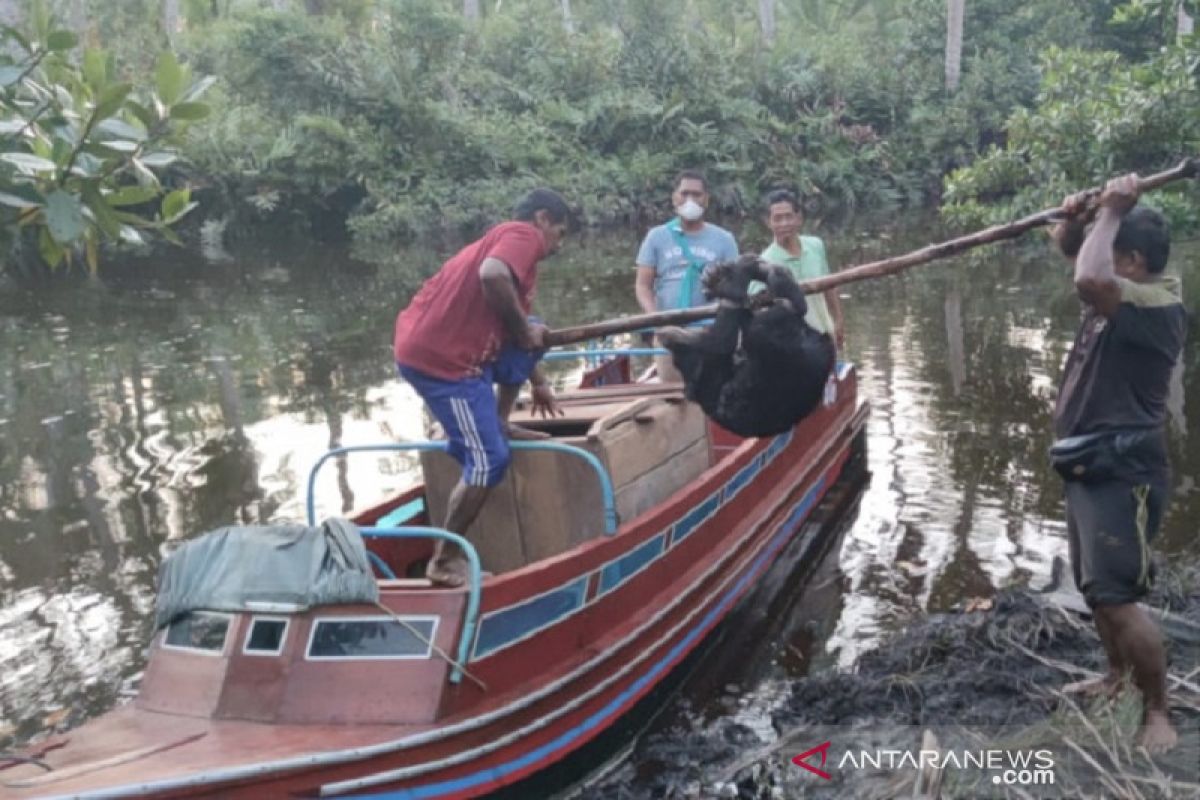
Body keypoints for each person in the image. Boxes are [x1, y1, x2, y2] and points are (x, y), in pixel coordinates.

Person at [1050, 174, 1187, 753]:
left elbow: (1087, 275)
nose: (1097, 254)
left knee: (1120, 598)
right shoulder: (1121, 286)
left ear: (1132, 261)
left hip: (1124, 471)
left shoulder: (1153, 307)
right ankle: (1115, 676)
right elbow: (1074, 253)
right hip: (1088, 463)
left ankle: (1159, 709)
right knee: (1095, 588)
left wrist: (1113, 210)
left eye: (1110, 245)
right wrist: (1078, 218)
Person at [394, 188, 570, 587]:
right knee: (490, 459)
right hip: (443, 363)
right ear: (542, 219)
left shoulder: (516, 261)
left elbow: (522, 333)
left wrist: (539, 381)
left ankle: (499, 421)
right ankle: (445, 560)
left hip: (460, 351)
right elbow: (491, 274)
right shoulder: (521, 236)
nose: (557, 245)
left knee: (534, 326)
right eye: (559, 233)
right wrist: (525, 331)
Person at [634, 169, 739, 381]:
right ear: (674, 197)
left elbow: (736, 287)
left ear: (706, 199)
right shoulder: (657, 237)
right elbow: (643, 286)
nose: (690, 199)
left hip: (709, 331)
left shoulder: (724, 240)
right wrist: (656, 319)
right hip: (668, 332)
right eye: (684, 193)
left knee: (710, 392)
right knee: (673, 395)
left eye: (696, 194)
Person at [757, 189, 844, 348]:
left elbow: (829, 286)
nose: (784, 224)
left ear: (799, 218)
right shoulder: (765, 262)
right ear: (768, 222)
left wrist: (838, 320)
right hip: (795, 346)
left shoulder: (815, 246)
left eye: (788, 216)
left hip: (825, 334)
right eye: (777, 218)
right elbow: (757, 309)